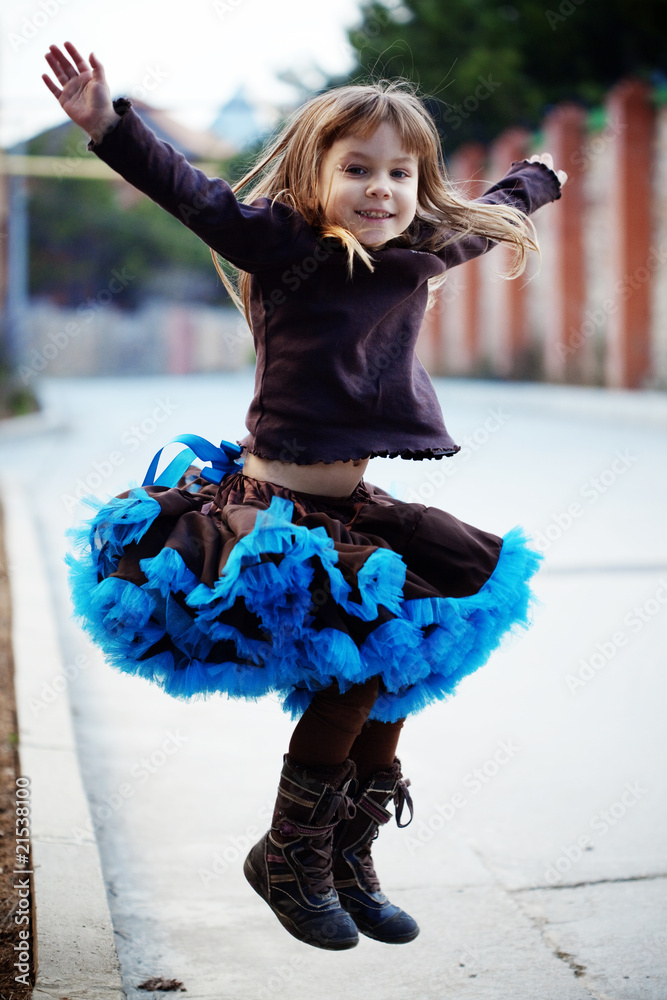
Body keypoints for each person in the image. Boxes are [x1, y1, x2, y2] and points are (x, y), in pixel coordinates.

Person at [43, 41, 567, 953]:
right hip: (274, 518)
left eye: (398, 173)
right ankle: (286, 857)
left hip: (355, 510)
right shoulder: (279, 244)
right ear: (314, 174)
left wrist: (537, 177)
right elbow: (193, 194)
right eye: (356, 168)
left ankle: (347, 852)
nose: (380, 189)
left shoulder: (416, 254)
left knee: (398, 660)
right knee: (353, 674)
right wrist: (107, 127)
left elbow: (485, 216)